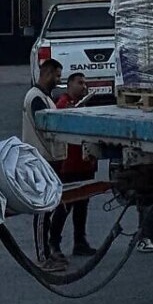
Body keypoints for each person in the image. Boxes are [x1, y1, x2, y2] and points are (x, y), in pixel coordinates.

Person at [20, 59, 68, 270]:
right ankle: (42, 257)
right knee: (43, 210)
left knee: (50, 208)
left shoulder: (45, 97)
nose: (58, 80)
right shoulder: (36, 98)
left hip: (49, 159)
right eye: (57, 76)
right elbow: (46, 126)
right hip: (41, 160)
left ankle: (48, 251)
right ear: (47, 73)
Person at [48, 74, 97, 258]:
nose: (83, 86)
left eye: (85, 83)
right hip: (69, 165)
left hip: (84, 163)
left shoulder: (82, 105)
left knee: (82, 206)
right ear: (69, 85)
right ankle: (54, 243)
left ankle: (80, 242)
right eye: (80, 83)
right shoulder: (63, 105)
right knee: (64, 206)